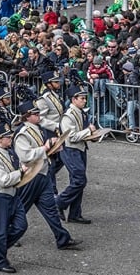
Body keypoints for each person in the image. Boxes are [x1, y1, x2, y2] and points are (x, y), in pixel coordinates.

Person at [13, 101, 80, 250]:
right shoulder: (22, 133)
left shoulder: (37, 128)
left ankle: (62, 238)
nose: (39, 115)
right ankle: (8, 235)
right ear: (27, 117)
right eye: (35, 114)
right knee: (21, 209)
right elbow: (26, 156)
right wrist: (46, 147)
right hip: (30, 177)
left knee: (50, 209)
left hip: (42, 174)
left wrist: (53, 147)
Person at [0, 123, 28, 274]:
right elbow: (2, 180)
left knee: (21, 226)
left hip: (13, 194)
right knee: (1, 231)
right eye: (7, 137)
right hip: (1, 196)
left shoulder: (9, 152)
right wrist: (20, 172)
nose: (10, 138)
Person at [57, 85, 97, 224]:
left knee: (78, 182)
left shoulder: (81, 112)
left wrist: (93, 135)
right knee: (80, 180)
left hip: (80, 149)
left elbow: (83, 131)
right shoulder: (68, 115)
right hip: (70, 149)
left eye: (85, 98)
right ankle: (59, 203)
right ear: (74, 100)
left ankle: (75, 214)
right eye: (82, 98)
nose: (85, 101)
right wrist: (89, 132)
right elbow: (71, 137)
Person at [35, 71, 66, 194]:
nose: (58, 83)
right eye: (55, 82)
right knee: (51, 162)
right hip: (49, 132)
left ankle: (45, 178)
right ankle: (52, 190)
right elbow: (40, 118)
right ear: (48, 84)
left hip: (58, 132)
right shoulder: (44, 98)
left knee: (61, 159)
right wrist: (55, 126)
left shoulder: (55, 95)